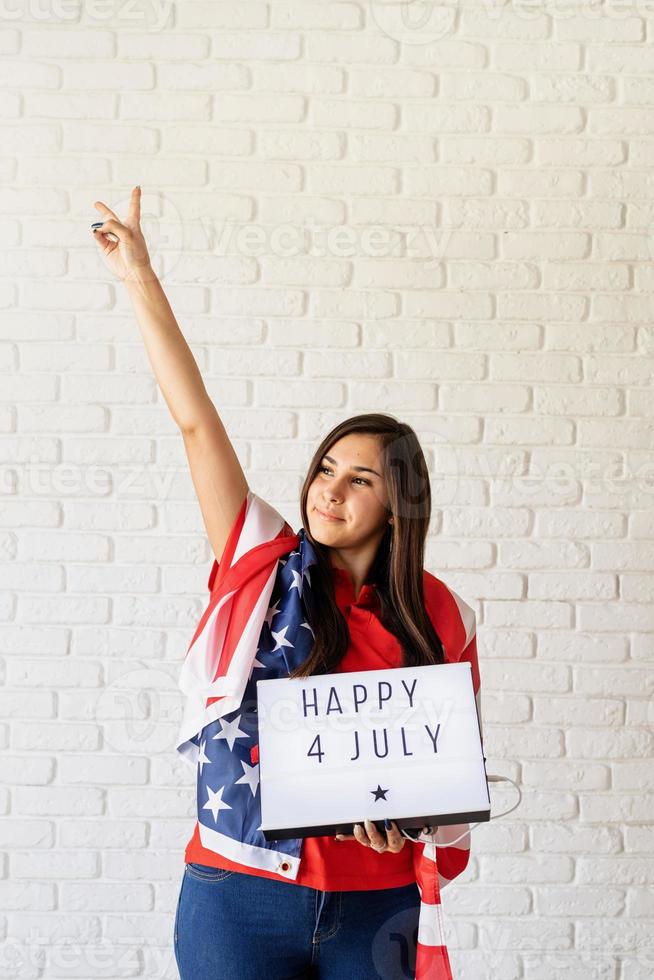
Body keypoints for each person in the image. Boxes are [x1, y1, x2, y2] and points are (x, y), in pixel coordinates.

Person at [91, 188, 483, 980]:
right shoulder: (262, 561)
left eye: (360, 479)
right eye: (326, 469)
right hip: (236, 895)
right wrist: (140, 277)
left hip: (377, 905)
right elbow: (196, 422)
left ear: (399, 504)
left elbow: (449, 776)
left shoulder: (442, 613)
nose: (329, 491)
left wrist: (405, 822)